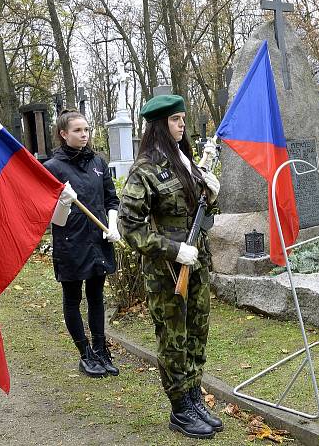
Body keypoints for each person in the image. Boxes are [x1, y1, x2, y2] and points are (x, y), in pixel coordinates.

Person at [118, 95, 222, 439]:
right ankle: (180, 408)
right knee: (174, 338)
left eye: (182, 119)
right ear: (161, 125)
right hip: (166, 271)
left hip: (198, 264)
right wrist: (174, 250)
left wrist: (211, 194)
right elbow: (129, 228)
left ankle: (194, 395)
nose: (181, 125)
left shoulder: (185, 162)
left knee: (197, 331)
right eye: (175, 120)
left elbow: (201, 216)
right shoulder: (144, 170)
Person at [44, 109, 120, 378]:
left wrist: (112, 225)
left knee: (97, 296)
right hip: (71, 242)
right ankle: (85, 353)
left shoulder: (98, 162)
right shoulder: (52, 168)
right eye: (77, 130)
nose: (84, 134)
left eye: (86, 129)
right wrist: (63, 204)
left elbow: (111, 199)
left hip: (97, 240)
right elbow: (50, 216)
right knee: (73, 298)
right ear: (63, 134)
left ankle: (101, 349)